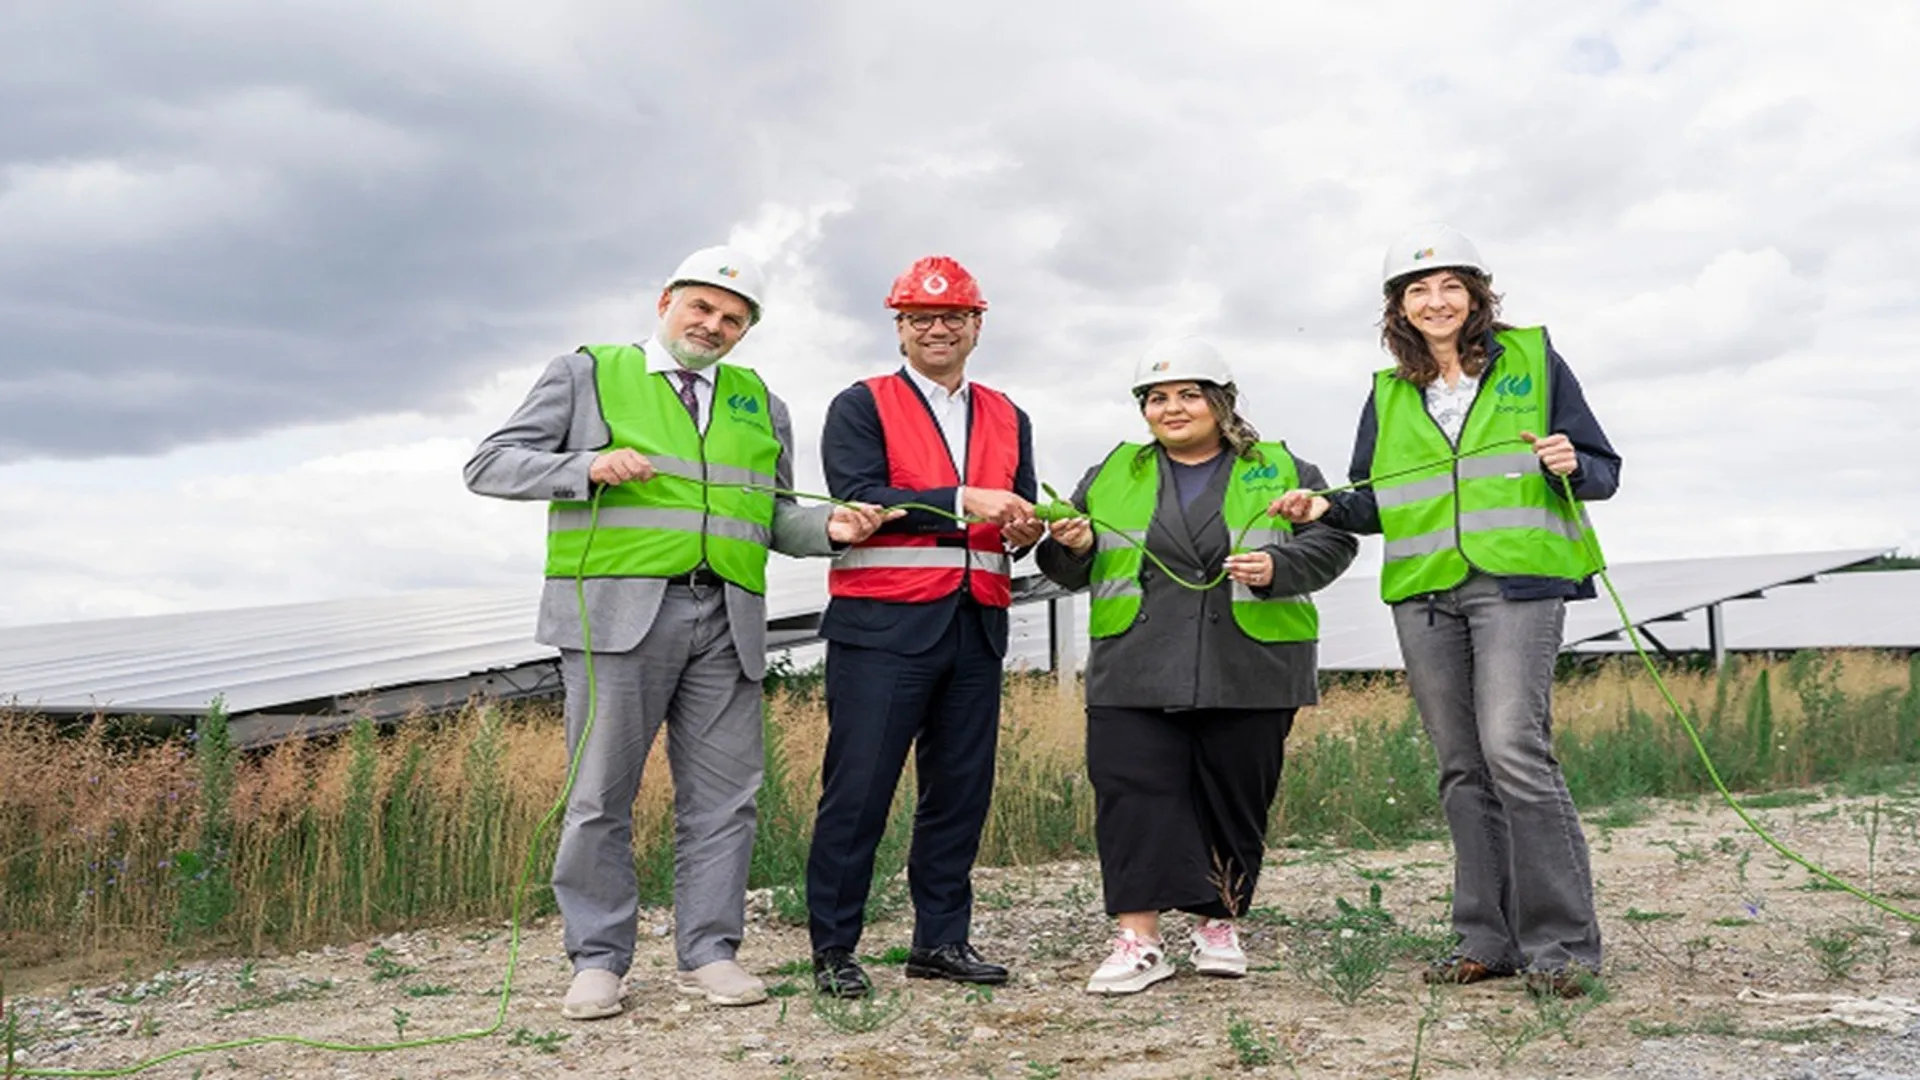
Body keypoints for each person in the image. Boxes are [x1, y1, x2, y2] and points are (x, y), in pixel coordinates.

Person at [464, 246, 892, 1019]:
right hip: (618, 616)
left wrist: (829, 526)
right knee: (600, 795)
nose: (715, 326)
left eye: (734, 318)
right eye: (702, 308)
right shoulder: (587, 373)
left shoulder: (759, 402)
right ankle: (598, 958)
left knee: (727, 798)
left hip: (727, 616)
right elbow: (490, 465)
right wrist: (586, 467)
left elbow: (769, 519)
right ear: (666, 301)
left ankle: (709, 952)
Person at [1273, 224, 1621, 997]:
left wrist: (1572, 461)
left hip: (1518, 584)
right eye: (1417, 290)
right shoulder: (1389, 392)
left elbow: (1602, 470)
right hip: (1426, 590)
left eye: (1450, 286)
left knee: (1513, 751)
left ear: (1475, 296)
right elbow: (1370, 502)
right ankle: (1483, 940)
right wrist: (1318, 507)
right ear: (1399, 307)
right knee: (1462, 768)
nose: (1436, 301)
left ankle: (1563, 946)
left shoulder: (1534, 360)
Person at [1034, 337, 1356, 994]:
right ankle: (1139, 938)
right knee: (1131, 795)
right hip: (1134, 662)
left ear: (1221, 401)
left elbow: (1334, 539)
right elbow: (1067, 566)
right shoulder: (1111, 472)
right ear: (1143, 409)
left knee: (1233, 795)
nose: (1172, 407)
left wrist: (1279, 567)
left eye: (1188, 394)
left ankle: (1218, 920)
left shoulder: (1283, 465)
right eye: (1157, 397)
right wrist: (1069, 543)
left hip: (1252, 661)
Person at [804, 255, 1040, 998]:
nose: (937, 329)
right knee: (859, 792)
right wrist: (967, 499)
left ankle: (940, 941)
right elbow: (860, 495)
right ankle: (834, 949)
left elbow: (1017, 509)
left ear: (977, 325)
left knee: (959, 792)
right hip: (883, 628)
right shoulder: (861, 404)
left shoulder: (1009, 413)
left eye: (952, 318)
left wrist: (1027, 529)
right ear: (899, 328)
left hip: (975, 626)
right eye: (919, 319)